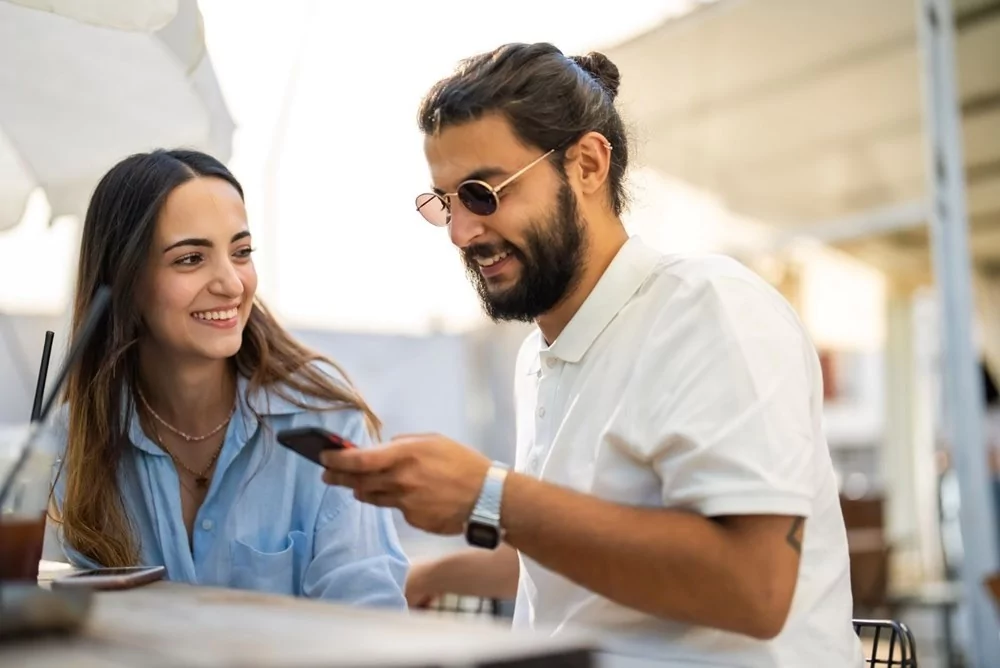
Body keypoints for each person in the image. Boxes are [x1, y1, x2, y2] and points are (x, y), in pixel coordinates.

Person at [319, 42, 863, 665]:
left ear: (586, 164)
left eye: (482, 192)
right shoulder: (539, 356)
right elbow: (574, 551)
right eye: (444, 202)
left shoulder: (710, 310)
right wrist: (429, 577)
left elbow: (755, 586)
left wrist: (490, 494)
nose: (461, 232)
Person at [46, 149, 407, 608]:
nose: (232, 284)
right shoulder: (71, 444)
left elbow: (369, 621)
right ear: (124, 279)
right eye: (191, 258)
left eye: (241, 253)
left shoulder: (325, 422)